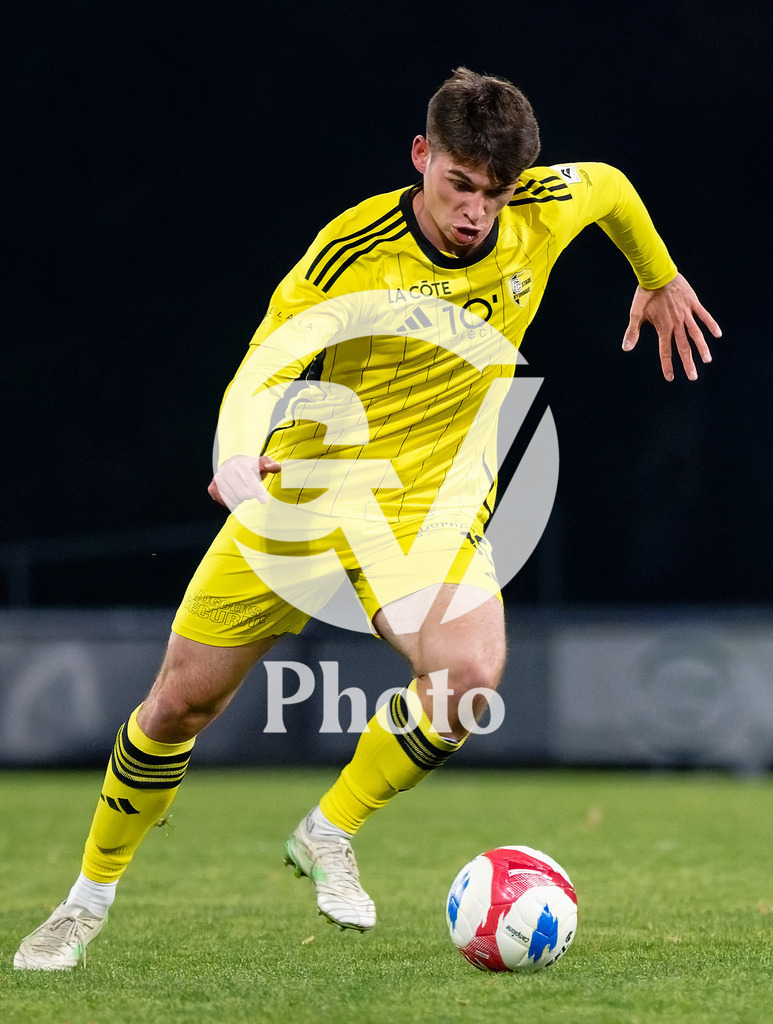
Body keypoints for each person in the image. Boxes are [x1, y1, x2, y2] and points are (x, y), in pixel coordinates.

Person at [14, 67, 720, 969]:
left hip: (429, 507)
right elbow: (266, 358)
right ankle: (86, 899)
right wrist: (235, 448)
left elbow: (611, 187)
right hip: (308, 497)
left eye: (493, 194)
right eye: (459, 185)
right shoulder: (353, 251)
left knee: (469, 677)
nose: (475, 212)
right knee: (179, 705)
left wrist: (656, 276)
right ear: (421, 158)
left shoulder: (542, 206)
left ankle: (328, 829)